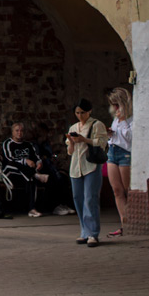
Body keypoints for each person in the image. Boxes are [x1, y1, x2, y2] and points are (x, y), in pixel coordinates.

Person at [65, 98, 111, 246]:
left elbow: (102, 143)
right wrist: (72, 142)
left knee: (90, 198)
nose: (80, 115)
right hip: (75, 167)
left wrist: (85, 139)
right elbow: (70, 152)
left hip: (91, 165)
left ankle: (93, 233)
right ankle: (84, 231)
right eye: (77, 113)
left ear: (89, 111)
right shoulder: (74, 126)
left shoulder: (97, 125)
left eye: (82, 112)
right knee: (78, 198)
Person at [0, 122, 50, 217]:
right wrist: (24, 160)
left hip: (26, 173)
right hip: (11, 171)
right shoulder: (8, 143)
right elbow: (9, 159)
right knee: (15, 165)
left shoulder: (28, 145)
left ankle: (32, 209)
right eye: (17, 131)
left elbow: (36, 157)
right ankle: (35, 174)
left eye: (21, 131)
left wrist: (39, 163)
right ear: (12, 132)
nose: (19, 133)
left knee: (31, 179)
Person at [104, 87, 134, 238]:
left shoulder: (131, 118)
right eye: (112, 104)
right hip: (112, 151)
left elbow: (130, 138)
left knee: (127, 189)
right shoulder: (116, 118)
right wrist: (110, 133)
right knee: (117, 190)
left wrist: (122, 122)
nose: (114, 108)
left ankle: (132, 223)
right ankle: (124, 223)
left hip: (125, 153)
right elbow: (117, 135)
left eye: (116, 104)